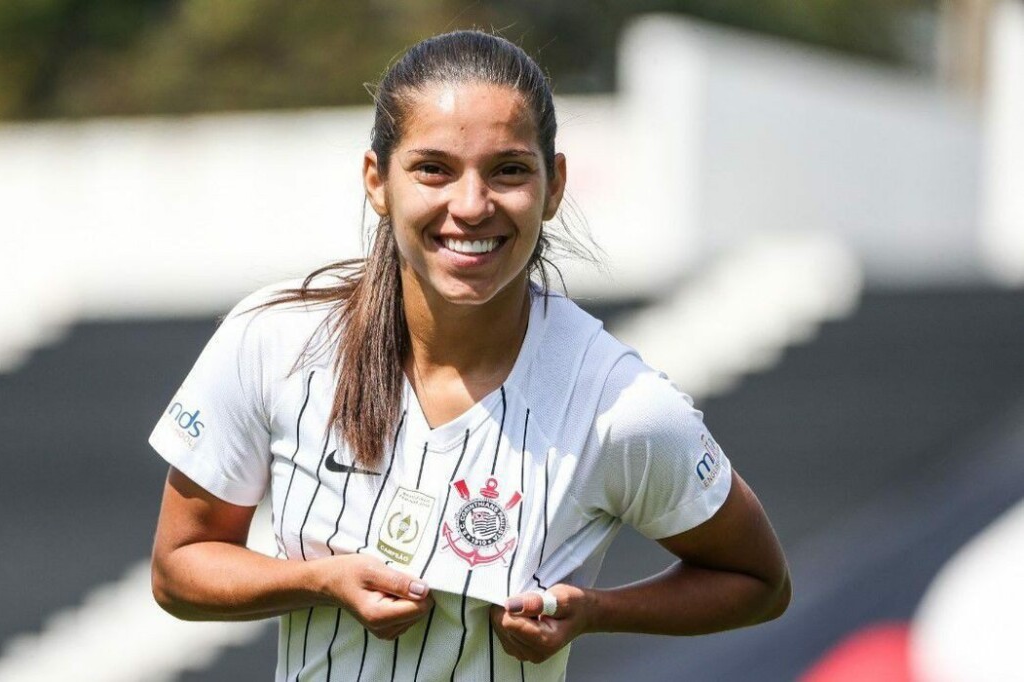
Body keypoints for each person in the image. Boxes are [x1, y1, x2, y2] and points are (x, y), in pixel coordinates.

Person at [148, 29, 790, 681]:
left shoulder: (620, 407)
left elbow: (759, 581)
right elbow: (179, 568)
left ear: (555, 184)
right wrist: (321, 581)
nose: (472, 205)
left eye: (508, 170)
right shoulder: (273, 340)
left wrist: (596, 611)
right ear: (377, 180)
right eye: (434, 169)